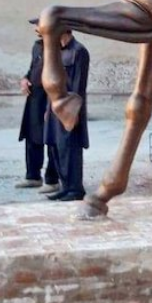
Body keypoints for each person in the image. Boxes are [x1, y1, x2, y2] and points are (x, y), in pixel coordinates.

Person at [44, 30, 90, 202]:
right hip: (54, 106)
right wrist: (48, 109)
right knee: (57, 147)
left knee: (71, 148)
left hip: (69, 107)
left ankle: (75, 189)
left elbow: (79, 85)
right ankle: (65, 187)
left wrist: (73, 111)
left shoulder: (79, 51)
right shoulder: (56, 51)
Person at [16, 31, 59, 195]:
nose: (36, 28)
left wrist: (54, 103)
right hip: (35, 97)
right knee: (32, 135)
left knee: (52, 138)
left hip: (50, 97)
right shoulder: (37, 46)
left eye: (39, 25)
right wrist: (25, 78)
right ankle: (33, 176)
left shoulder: (58, 47)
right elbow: (32, 68)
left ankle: (52, 179)